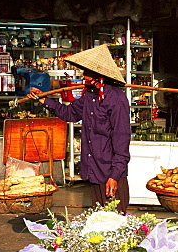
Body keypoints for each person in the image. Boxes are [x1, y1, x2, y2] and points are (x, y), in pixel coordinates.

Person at [30, 44, 132, 212]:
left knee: (115, 222)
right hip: (95, 169)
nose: (84, 77)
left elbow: (122, 141)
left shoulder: (116, 99)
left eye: (87, 73)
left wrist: (114, 176)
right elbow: (69, 113)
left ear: (100, 75)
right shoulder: (90, 96)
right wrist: (43, 100)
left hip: (111, 173)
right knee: (98, 222)